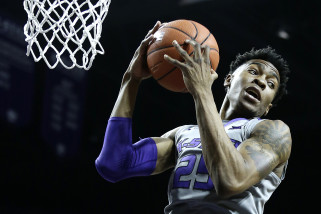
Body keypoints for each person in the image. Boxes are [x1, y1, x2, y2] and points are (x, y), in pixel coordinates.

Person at [95, 21, 292, 214]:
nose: (261, 81)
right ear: (228, 79)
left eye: (271, 84)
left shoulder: (273, 131)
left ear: (267, 108)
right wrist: (131, 80)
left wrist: (202, 91)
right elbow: (114, 164)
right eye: (253, 71)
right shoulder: (183, 134)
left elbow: (231, 181)